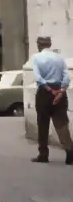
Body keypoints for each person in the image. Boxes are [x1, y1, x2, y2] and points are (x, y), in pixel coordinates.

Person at [32, 36, 73, 164]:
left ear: (39, 45)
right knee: (61, 123)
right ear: (50, 44)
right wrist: (60, 92)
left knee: (43, 124)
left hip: (45, 92)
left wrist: (50, 90)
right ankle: (70, 153)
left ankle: (43, 154)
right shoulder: (60, 58)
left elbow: (38, 77)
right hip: (60, 92)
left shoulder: (36, 57)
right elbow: (66, 76)